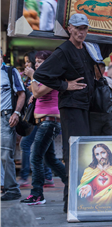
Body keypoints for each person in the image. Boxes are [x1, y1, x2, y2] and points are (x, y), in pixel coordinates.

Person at [33, 13, 112, 212]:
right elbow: (40, 74)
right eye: (77, 28)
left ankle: (77, 200)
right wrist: (65, 85)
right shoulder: (63, 51)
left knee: (84, 153)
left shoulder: (87, 48)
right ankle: (71, 202)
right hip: (71, 108)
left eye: (84, 28)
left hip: (85, 107)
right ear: (69, 28)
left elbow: (110, 44)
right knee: (74, 153)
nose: (81, 32)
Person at [20, 50, 67, 205]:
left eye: (42, 61)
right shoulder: (43, 78)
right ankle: (72, 183)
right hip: (44, 122)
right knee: (50, 159)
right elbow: (36, 92)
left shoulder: (52, 76)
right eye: (37, 61)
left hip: (49, 122)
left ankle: (37, 194)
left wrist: (33, 77)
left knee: (35, 156)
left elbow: (39, 92)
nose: (38, 64)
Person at [19, 51, 54, 187]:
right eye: (26, 61)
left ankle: (27, 178)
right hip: (39, 117)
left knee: (28, 146)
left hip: (43, 117)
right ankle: (48, 177)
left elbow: (38, 92)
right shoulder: (30, 76)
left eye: (29, 61)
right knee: (46, 150)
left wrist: (32, 81)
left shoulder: (43, 76)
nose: (27, 64)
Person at [0, 50, 25, 201]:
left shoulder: (10, 71)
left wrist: (16, 113)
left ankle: (12, 189)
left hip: (6, 117)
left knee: (4, 154)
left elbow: (21, 93)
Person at [90, 62, 112, 136]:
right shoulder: (90, 80)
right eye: (98, 67)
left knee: (109, 137)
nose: (100, 70)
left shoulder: (108, 81)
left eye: (102, 67)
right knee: (94, 137)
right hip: (93, 115)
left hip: (107, 114)